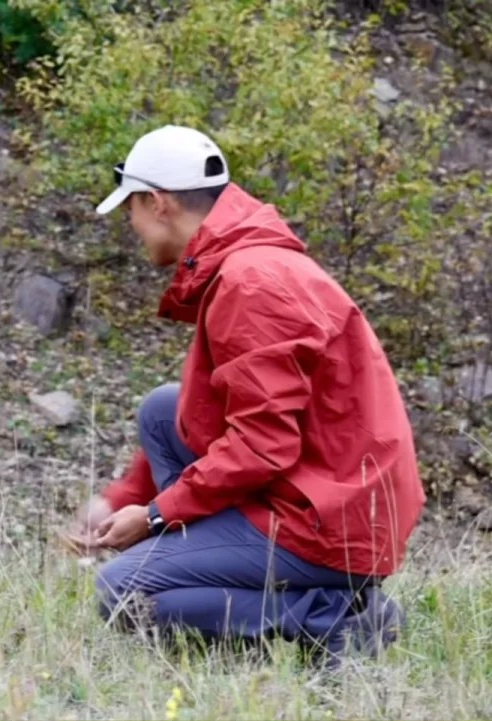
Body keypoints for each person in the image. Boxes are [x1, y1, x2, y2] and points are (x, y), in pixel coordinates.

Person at [66, 125, 425, 658]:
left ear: (157, 203)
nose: (132, 226)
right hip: (325, 493)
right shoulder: (247, 265)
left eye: (130, 210)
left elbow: (263, 445)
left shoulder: (251, 284)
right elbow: (210, 417)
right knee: (164, 409)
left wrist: (157, 515)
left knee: (122, 591)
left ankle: (333, 619)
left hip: (329, 521)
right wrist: (120, 502)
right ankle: (222, 578)